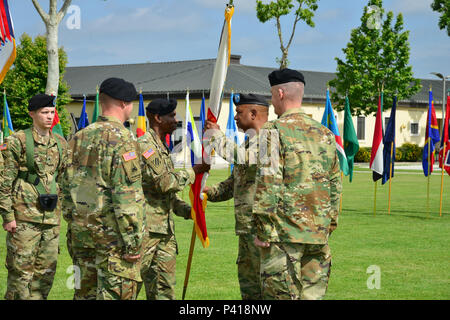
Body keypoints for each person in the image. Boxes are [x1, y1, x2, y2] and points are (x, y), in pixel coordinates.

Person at [252, 68, 342, 300]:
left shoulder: (272, 131)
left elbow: (268, 182)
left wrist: (263, 229)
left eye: (272, 96)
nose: (272, 103)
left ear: (280, 93)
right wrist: (328, 224)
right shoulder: (325, 134)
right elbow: (335, 184)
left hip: (283, 237)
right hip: (318, 236)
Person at [62, 77, 145, 300]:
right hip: (113, 244)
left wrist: (75, 226)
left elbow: (65, 188)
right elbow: (126, 198)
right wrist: (133, 243)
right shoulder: (123, 140)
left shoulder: (78, 137)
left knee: (82, 295)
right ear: (123, 103)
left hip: (81, 239)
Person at [137, 98, 210, 300]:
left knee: (164, 292)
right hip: (146, 233)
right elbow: (165, 183)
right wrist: (194, 172)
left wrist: (190, 211)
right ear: (158, 118)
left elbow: (166, 195)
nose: (176, 120)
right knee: (129, 289)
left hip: (164, 233)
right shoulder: (146, 146)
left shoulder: (161, 147)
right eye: (172, 116)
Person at [0, 94, 70, 300]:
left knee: (45, 274)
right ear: (32, 114)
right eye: (44, 112)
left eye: (51, 112)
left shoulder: (60, 142)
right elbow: (5, 181)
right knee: (20, 274)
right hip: (23, 219)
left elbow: (65, 179)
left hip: (51, 219)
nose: (50, 117)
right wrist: (7, 216)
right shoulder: (17, 141)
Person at [204, 93, 269, 300]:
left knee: (268, 289)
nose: (235, 117)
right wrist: (209, 192)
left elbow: (242, 159)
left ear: (253, 113)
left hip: (263, 230)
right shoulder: (249, 143)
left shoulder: (269, 139)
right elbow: (235, 182)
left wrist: (215, 136)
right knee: (250, 290)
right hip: (247, 228)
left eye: (239, 112)